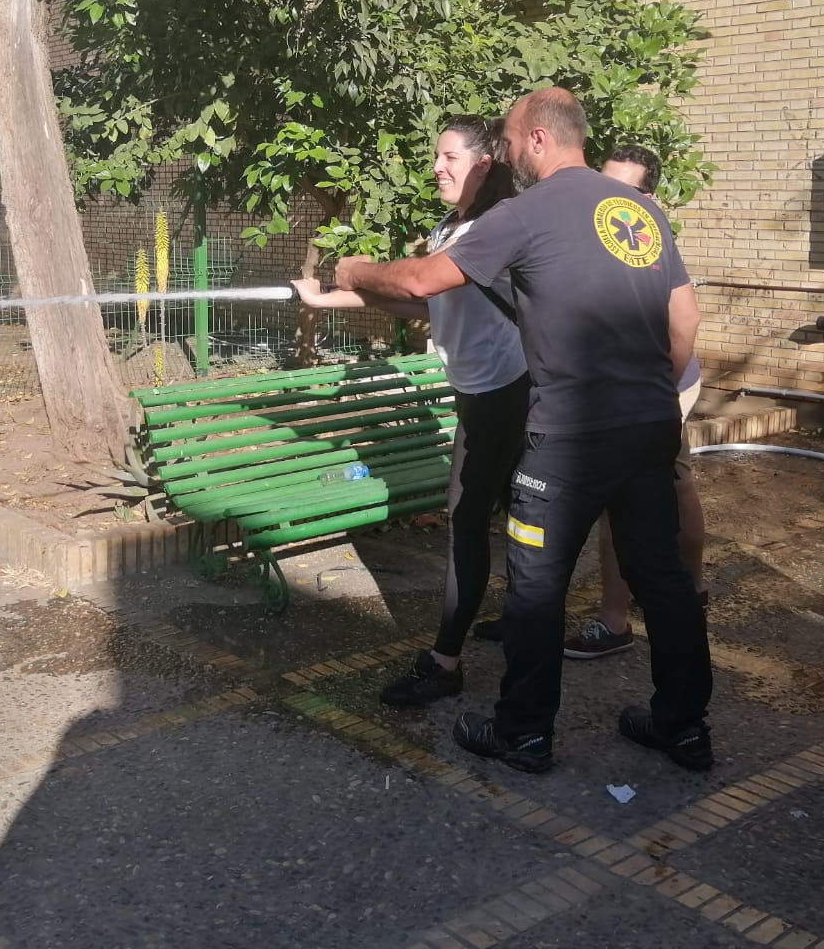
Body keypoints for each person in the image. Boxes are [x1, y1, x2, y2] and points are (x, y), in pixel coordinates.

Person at [336, 87, 712, 775]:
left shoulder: (528, 211)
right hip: (649, 425)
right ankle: (684, 729)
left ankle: (524, 734)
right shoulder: (637, 211)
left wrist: (354, 270)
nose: (506, 155)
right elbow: (683, 318)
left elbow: (422, 281)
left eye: (508, 142)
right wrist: (652, 395)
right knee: (662, 577)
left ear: (538, 137)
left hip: (568, 435)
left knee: (535, 584)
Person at [292, 116, 528, 707]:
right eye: (436, 156)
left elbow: (419, 285)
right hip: (481, 391)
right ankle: (521, 619)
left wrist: (355, 269)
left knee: (469, 521)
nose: (436, 168)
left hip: (505, 392)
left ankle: (445, 664)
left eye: (450, 157)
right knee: (513, 515)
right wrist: (328, 297)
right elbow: (428, 305)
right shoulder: (451, 227)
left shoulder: (493, 228)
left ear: (484, 164)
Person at [471, 143, 709, 658]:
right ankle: (672, 600)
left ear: (648, 197)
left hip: (661, 382)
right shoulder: (595, 221)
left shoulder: (643, 227)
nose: (604, 195)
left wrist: (656, 388)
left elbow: (685, 320)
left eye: (621, 188)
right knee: (644, 504)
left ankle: (620, 616)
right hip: (636, 391)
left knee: (643, 501)